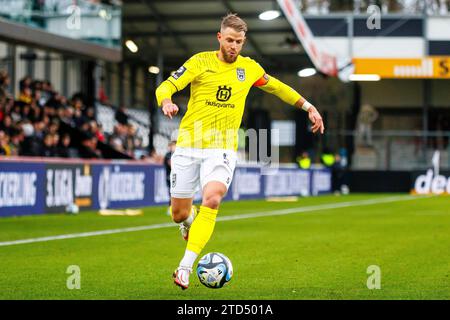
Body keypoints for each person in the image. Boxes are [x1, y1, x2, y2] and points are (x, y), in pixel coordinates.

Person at [155, 13, 325, 290]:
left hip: (221, 149)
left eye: (240, 42)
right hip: (188, 145)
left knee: (212, 199)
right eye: (230, 40)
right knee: (178, 213)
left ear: (244, 42)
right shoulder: (200, 62)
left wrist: (309, 106)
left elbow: (278, 88)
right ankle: (188, 223)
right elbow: (168, 84)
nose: (234, 46)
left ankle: (185, 267)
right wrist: (166, 100)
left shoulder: (249, 69)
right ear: (220, 38)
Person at [163, 140, 177, 215]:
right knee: (171, 193)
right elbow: (171, 165)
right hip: (170, 176)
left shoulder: (178, 154)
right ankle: (170, 208)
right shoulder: (168, 155)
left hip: (177, 176)